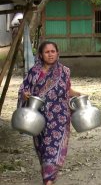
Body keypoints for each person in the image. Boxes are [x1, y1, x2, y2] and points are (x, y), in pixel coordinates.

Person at [17, 41, 81, 184]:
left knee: (53, 149)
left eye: (53, 51)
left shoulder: (64, 71)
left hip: (60, 117)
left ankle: (48, 181)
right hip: (38, 117)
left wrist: (79, 94)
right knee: (42, 149)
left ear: (57, 53)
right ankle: (48, 176)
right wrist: (25, 95)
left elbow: (67, 90)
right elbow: (24, 89)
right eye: (47, 52)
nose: (50, 54)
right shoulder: (34, 72)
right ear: (40, 55)